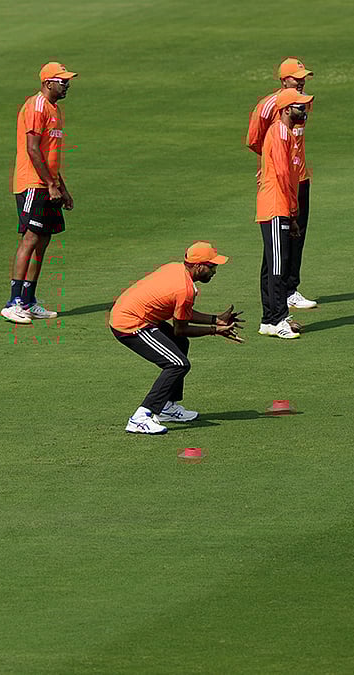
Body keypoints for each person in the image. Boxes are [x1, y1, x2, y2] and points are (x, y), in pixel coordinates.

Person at [110, 242, 243, 435]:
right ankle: (141, 417)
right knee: (178, 364)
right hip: (130, 323)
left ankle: (166, 407)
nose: (214, 271)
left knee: (180, 344)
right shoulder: (184, 289)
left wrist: (216, 319)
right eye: (212, 266)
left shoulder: (176, 268)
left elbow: (182, 312)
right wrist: (214, 330)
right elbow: (181, 328)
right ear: (198, 266)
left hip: (137, 314)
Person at [1, 62, 78, 325]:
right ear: (48, 83)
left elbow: (50, 156)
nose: (67, 85)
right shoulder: (36, 106)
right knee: (30, 239)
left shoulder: (55, 110)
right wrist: (51, 184)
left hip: (48, 184)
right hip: (32, 184)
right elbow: (33, 150)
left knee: (43, 242)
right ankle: (13, 302)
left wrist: (62, 188)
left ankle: (29, 300)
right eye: (63, 81)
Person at [248, 57, 318, 312]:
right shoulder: (269, 106)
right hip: (279, 180)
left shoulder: (301, 104)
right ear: (283, 80)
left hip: (300, 177)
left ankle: (290, 290)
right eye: (296, 78)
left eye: (303, 78)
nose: (300, 82)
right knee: (280, 243)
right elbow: (255, 140)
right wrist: (269, 165)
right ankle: (276, 309)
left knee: (296, 237)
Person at [255, 88, 313, 339]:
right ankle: (277, 319)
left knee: (271, 264)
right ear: (287, 109)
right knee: (278, 265)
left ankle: (270, 319)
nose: (304, 110)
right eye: (300, 106)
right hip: (275, 206)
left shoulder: (285, 132)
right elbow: (281, 174)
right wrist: (292, 211)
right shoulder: (279, 132)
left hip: (275, 205)